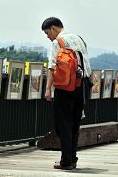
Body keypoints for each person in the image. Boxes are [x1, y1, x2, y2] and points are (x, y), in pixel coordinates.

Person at [41, 17, 92, 170]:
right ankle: (72, 159)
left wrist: (48, 89)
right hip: (83, 85)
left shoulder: (58, 42)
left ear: (53, 28)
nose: (48, 37)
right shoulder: (79, 39)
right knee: (75, 123)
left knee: (63, 123)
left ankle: (66, 161)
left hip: (65, 88)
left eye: (47, 33)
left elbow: (52, 68)